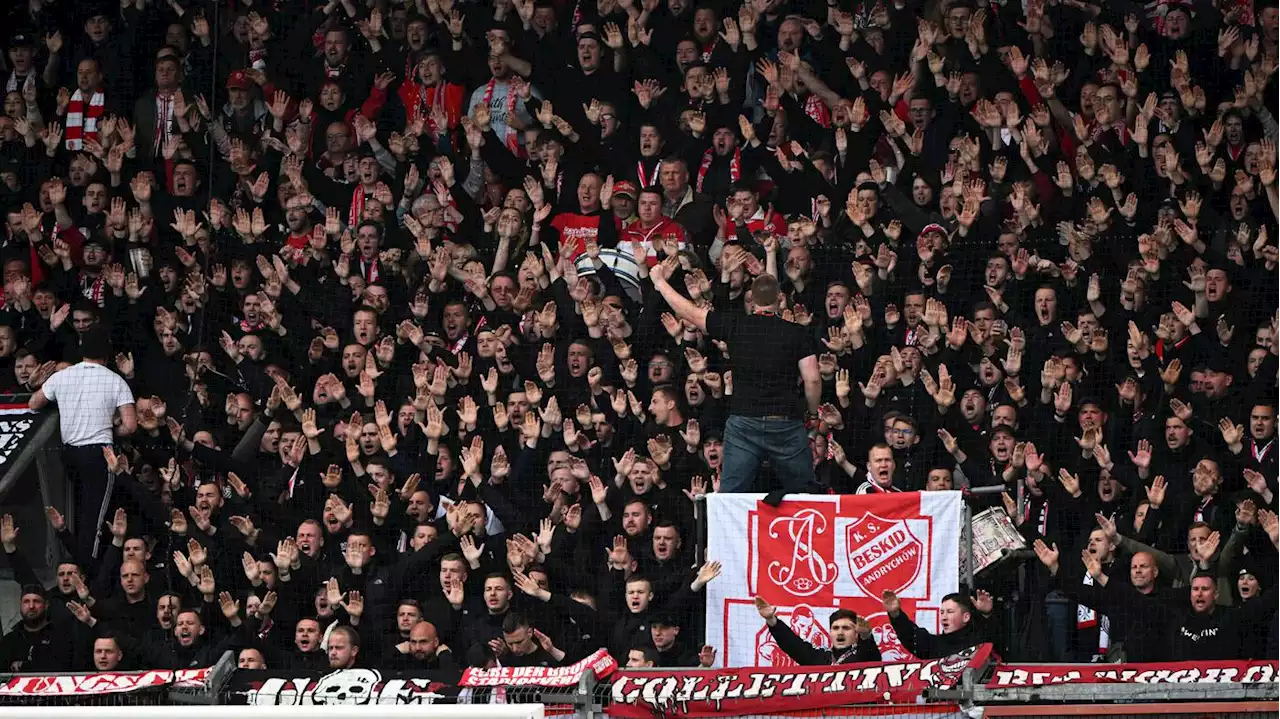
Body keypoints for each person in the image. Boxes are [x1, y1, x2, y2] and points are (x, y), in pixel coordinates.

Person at [649, 263, 822, 501]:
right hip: (786, 425)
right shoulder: (798, 333)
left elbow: (691, 313)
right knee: (807, 495)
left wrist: (660, 282)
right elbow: (812, 379)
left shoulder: (736, 325)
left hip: (743, 426)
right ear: (780, 299)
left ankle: (726, 538)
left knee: (730, 497)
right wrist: (812, 414)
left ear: (752, 301)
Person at [29, 323, 135, 561]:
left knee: (76, 512)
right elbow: (130, 426)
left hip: (67, 455)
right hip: (99, 455)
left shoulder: (62, 377)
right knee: (94, 519)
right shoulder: (115, 380)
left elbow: (34, 404)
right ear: (106, 354)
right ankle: (89, 570)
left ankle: (77, 564)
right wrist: (111, 426)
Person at [753, 596, 880, 665]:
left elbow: (872, 657)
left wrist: (865, 635)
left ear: (855, 633)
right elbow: (794, 645)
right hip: (824, 714)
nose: (840, 632)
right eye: (835, 628)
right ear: (830, 632)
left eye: (846, 628)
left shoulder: (862, 657)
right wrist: (772, 620)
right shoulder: (821, 658)